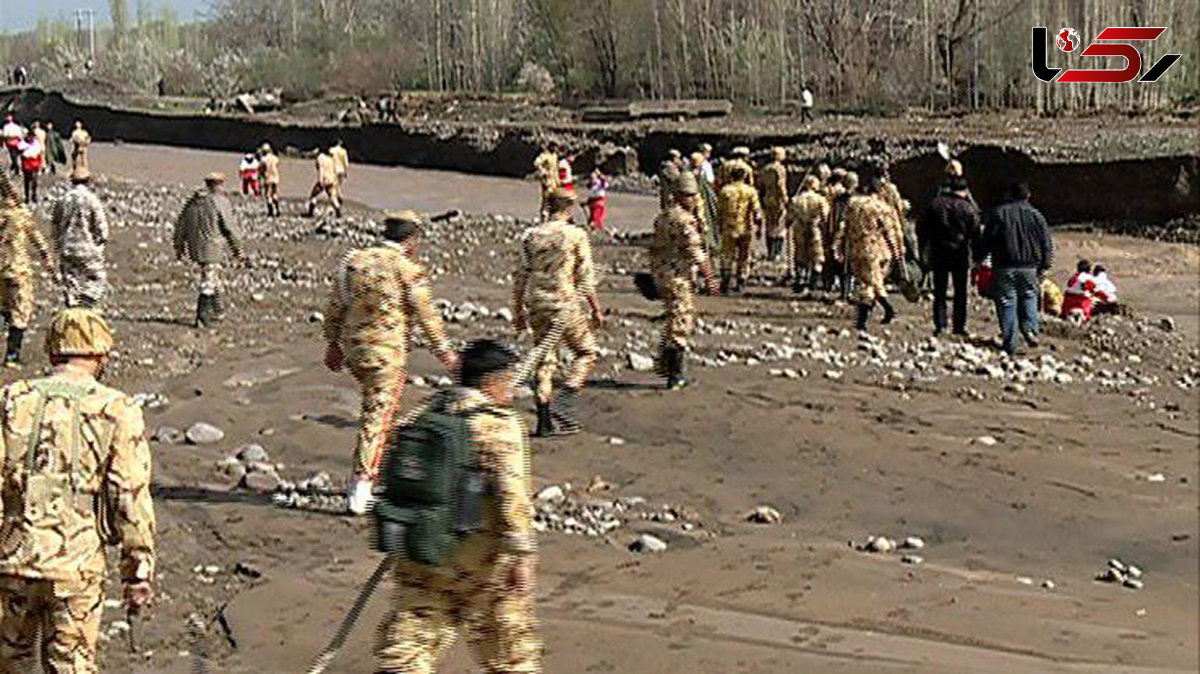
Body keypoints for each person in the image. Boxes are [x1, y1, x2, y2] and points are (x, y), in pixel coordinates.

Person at [0, 308, 156, 674]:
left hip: (11, 559)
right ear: (101, 354)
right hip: (77, 565)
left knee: (9, 663)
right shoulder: (116, 408)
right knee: (71, 666)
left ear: (52, 351)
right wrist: (138, 572)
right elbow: (129, 494)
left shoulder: (12, 399)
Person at [373, 339, 540, 674]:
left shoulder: (424, 413)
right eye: (509, 384)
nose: (511, 393)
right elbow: (513, 497)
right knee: (509, 648)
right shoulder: (499, 425)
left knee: (409, 645)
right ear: (493, 382)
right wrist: (523, 556)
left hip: (422, 547)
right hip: (481, 559)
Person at [323, 210, 458, 515]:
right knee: (377, 414)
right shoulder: (407, 269)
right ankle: (362, 486)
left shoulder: (354, 260)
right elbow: (428, 317)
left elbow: (336, 303)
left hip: (354, 347)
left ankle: (380, 467)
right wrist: (446, 354)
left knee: (380, 410)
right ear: (412, 239)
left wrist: (332, 342)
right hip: (386, 352)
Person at [512, 190, 602, 437]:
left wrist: (518, 309)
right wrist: (595, 308)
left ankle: (544, 418)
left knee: (545, 358)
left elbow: (521, 276)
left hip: (538, 302)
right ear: (570, 209)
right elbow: (585, 276)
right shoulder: (576, 235)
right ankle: (566, 399)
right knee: (586, 352)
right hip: (565, 303)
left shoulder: (531, 235)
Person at [649, 173, 718, 390]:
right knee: (680, 321)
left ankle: (669, 369)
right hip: (678, 276)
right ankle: (675, 375)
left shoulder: (663, 217)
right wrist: (710, 277)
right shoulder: (684, 220)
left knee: (672, 318)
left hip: (662, 275)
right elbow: (695, 251)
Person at [978, 182, 1054, 354]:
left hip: (1004, 266)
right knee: (1029, 297)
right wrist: (1046, 266)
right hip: (1030, 267)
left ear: (1009, 195)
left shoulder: (999, 213)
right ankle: (1030, 330)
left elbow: (987, 239)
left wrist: (979, 259)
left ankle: (1010, 341)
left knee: (1007, 301)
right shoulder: (1037, 215)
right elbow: (1046, 242)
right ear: (1028, 196)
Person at [174, 173, 246, 328]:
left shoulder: (193, 201)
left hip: (195, 247)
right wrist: (239, 252)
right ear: (220, 184)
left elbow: (180, 225)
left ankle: (218, 311)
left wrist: (179, 247)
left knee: (215, 280)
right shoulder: (220, 202)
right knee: (209, 281)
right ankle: (202, 317)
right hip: (212, 248)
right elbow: (231, 229)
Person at [0, 173, 55, 365]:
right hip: (18, 269)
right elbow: (38, 240)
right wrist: (48, 261)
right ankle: (12, 355)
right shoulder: (21, 216)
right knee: (20, 311)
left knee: (4, 309)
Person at [837, 176, 904, 331]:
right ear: (880, 190)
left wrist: (838, 246)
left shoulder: (853, 204)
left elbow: (843, 227)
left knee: (866, 281)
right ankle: (873, 315)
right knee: (870, 283)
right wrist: (896, 252)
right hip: (874, 249)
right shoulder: (881, 208)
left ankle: (872, 316)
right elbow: (888, 232)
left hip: (855, 248)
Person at [918, 176, 981, 336]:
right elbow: (975, 233)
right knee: (961, 292)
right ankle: (959, 326)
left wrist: (923, 249)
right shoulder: (968, 208)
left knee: (940, 291)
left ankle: (940, 325)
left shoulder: (935, 204)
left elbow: (921, 228)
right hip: (960, 254)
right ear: (965, 190)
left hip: (939, 252)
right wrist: (978, 257)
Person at [50, 168, 110, 308]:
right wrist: (101, 241)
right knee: (97, 276)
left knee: (70, 280)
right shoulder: (91, 199)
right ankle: (86, 301)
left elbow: (55, 224)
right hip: (87, 246)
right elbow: (100, 225)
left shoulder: (63, 199)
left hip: (67, 247)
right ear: (88, 181)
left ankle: (72, 308)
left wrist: (58, 244)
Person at [717, 164, 763, 295]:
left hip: (729, 227)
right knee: (744, 256)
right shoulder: (750, 191)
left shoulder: (725, 191)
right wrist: (759, 226)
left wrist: (719, 226)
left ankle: (725, 281)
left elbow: (719, 211)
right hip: (745, 227)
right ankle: (741, 281)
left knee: (727, 254)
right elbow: (756, 211)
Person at [789, 175, 830, 292]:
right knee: (817, 257)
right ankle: (813, 283)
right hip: (815, 229)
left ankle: (800, 279)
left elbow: (789, 218)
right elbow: (825, 217)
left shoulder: (796, 199)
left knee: (800, 254)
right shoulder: (820, 200)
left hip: (799, 228)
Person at [759, 147, 789, 263]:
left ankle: (769, 252)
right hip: (777, 200)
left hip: (767, 199)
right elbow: (781, 185)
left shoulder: (765, 169)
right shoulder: (780, 169)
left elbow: (761, 185)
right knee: (779, 226)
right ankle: (776, 252)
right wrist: (785, 199)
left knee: (769, 226)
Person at [306, 148, 342, 218]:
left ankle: (310, 213)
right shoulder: (330, 158)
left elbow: (321, 169)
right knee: (332, 197)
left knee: (313, 195)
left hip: (324, 179)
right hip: (331, 179)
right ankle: (338, 211)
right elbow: (333, 169)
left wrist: (320, 180)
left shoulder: (320, 158)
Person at [533, 144, 559, 220]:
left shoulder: (554, 155)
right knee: (547, 198)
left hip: (554, 180)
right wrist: (543, 171)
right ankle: (544, 216)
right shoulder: (545, 155)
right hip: (548, 181)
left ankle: (551, 216)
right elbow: (536, 163)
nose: (555, 149)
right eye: (554, 147)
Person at [18, 129, 43, 204]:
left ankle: (34, 195)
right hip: (27, 163)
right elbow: (20, 152)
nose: (31, 139)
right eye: (29, 137)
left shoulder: (36, 144)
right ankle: (27, 196)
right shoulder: (23, 144)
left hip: (34, 163)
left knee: (34, 181)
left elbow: (39, 153)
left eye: (32, 137)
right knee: (27, 181)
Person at [259, 143, 281, 217]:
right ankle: (278, 209)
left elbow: (261, 169)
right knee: (274, 194)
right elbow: (277, 166)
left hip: (268, 178)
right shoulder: (275, 158)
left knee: (268, 195)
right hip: (275, 177)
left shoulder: (263, 159)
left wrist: (261, 177)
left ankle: (270, 211)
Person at [586, 168, 610, 233]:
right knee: (594, 218)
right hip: (594, 203)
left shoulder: (600, 184)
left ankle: (595, 229)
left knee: (596, 218)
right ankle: (594, 229)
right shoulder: (593, 186)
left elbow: (605, 183)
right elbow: (591, 195)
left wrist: (600, 175)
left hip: (598, 202)